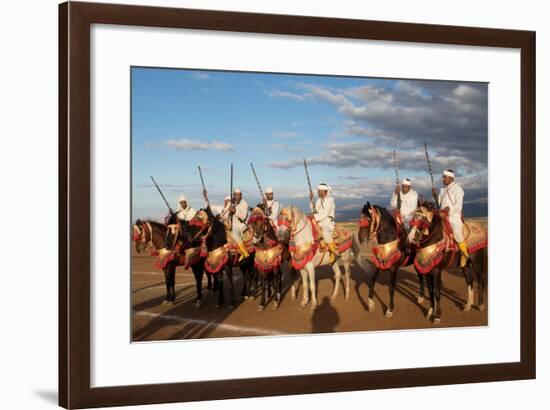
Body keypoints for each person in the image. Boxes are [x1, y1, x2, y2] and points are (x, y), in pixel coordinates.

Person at [432, 169, 468, 267]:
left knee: (457, 232)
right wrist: (435, 196)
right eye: (443, 177)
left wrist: (449, 209)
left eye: (445, 177)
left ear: (451, 178)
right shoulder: (442, 190)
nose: (443, 179)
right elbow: (440, 204)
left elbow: (458, 205)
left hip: (453, 217)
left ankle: (464, 254)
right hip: (442, 216)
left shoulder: (458, 189)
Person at [309, 183, 339, 263]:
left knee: (325, 231)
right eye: (318, 191)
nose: (318, 192)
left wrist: (314, 217)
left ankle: (334, 252)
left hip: (328, 222)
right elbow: (314, 211)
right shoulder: (319, 201)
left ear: (325, 191)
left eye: (319, 191)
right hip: (319, 221)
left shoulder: (330, 200)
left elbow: (325, 213)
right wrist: (311, 200)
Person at [229, 188, 250, 261]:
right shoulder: (233, 203)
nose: (237, 196)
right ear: (233, 195)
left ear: (241, 196)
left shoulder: (244, 203)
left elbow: (243, 217)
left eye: (239, 195)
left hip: (242, 225)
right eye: (236, 195)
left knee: (234, 233)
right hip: (233, 224)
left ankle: (245, 252)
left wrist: (235, 211)